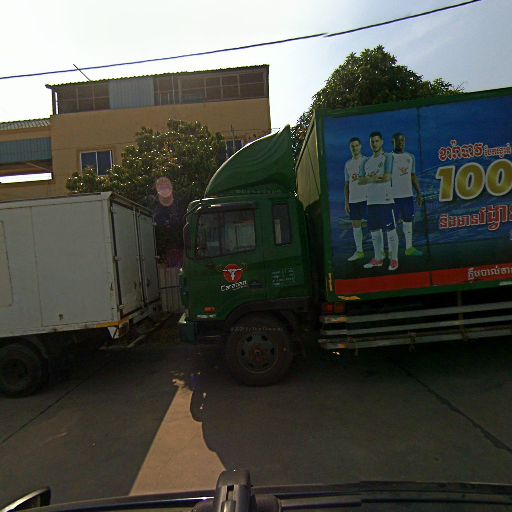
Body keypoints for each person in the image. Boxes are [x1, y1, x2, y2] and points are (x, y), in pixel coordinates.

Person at [359, 132, 399, 271]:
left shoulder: (387, 157)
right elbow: (360, 180)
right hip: (371, 201)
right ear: (370, 143)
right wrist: (374, 178)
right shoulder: (366, 161)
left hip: (385, 200)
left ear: (381, 142)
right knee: (374, 232)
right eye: (372, 142)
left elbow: (387, 177)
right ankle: (378, 258)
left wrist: (369, 179)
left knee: (390, 231)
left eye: (377, 141)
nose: (374, 144)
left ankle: (394, 260)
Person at [390, 133, 423, 256]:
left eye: (402, 140)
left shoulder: (410, 157)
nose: (400, 143)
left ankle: (409, 248)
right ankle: (392, 251)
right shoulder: (388, 157)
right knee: (392, 225)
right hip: (393, 197)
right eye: (397, 140)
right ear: (392, 142)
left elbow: (413, 176)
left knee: (408, 221)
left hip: (407, 196)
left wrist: (419, 193)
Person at [344, 137, 368, 261]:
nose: (355, 148)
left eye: (356, 145)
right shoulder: (348, 164)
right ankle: (359, 251)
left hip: (367, 199)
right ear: (350, 148)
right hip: (354, 200)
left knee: (375, 224)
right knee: (356, 226)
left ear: (360, 146)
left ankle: (379, 252)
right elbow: (347, 184)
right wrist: (347, 202)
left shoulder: (367, 161)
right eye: (352, 146)